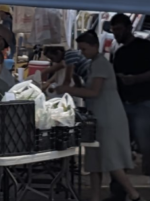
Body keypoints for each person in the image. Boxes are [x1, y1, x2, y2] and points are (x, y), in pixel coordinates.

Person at [59, 31, 141, 201]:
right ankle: (95, 197)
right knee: (94, 161)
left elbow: (94, 92)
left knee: (111, 159)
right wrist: (76, 82)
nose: (82, 53)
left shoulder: (101, 64)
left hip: (108, 117)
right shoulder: (93, 63)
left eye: (84, 49)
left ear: (95, 46)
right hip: (98, 117)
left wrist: (68, 89)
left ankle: (134, 194)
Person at [109, 13, 150, 200]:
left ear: (128, 28)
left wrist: (135, 79)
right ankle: (117, 193)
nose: (115, 34)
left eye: (118, 29)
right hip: (124, 105)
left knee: (148, 150)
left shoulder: (145, 47)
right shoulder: (119, 53)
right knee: (119, 150)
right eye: (113, 30)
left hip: (144, 105)